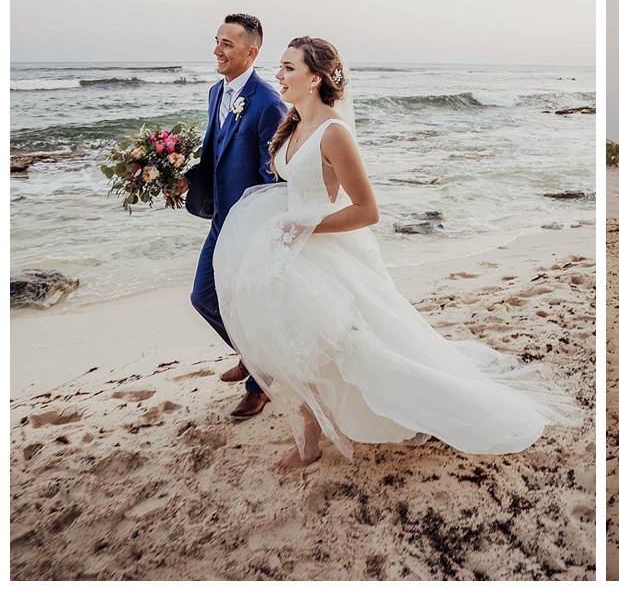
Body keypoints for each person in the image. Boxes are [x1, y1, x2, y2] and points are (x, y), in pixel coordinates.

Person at [213, 37, 579, 472]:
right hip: (289, 245)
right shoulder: (293, 123)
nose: (279, 75)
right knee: (300, 348)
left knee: (351, 347)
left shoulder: (334, 133)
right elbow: (291, 187)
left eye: (289, 68)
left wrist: (304, 226)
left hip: (320, 247)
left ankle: (355, 427)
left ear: (315, 78)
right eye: (281, 67)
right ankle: (310, 436)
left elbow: (367, 211)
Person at [185, 14, 287, 419]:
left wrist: (266, 232)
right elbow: (215, 151)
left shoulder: (267, 102)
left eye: (227, 44)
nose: (217, 50)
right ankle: (255, 357)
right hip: (220, 220)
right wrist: (185, 178)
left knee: (250, 306)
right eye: (216, 41)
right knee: (203, 297)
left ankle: (257, 386)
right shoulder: (216, 92)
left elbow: (273, 173)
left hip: (249, 225)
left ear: (251, 52)